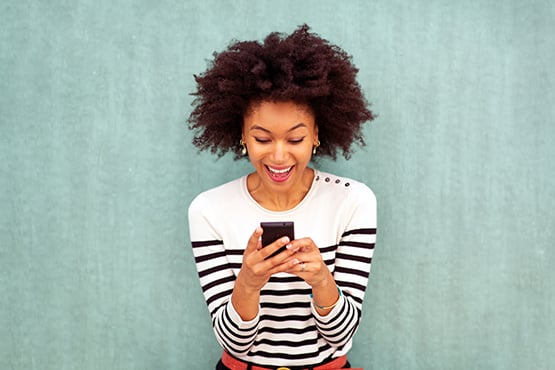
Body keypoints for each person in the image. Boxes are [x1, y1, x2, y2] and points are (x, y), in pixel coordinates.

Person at [187, 24, 377, 370]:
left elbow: (342, 337)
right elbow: (234, 343)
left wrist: (321, 279)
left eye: (294, 139)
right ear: (241, 134)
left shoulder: (353, 202)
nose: (278, 156)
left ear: (316, 134)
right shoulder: (209, 210)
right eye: (262, 139)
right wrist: (248, 282)